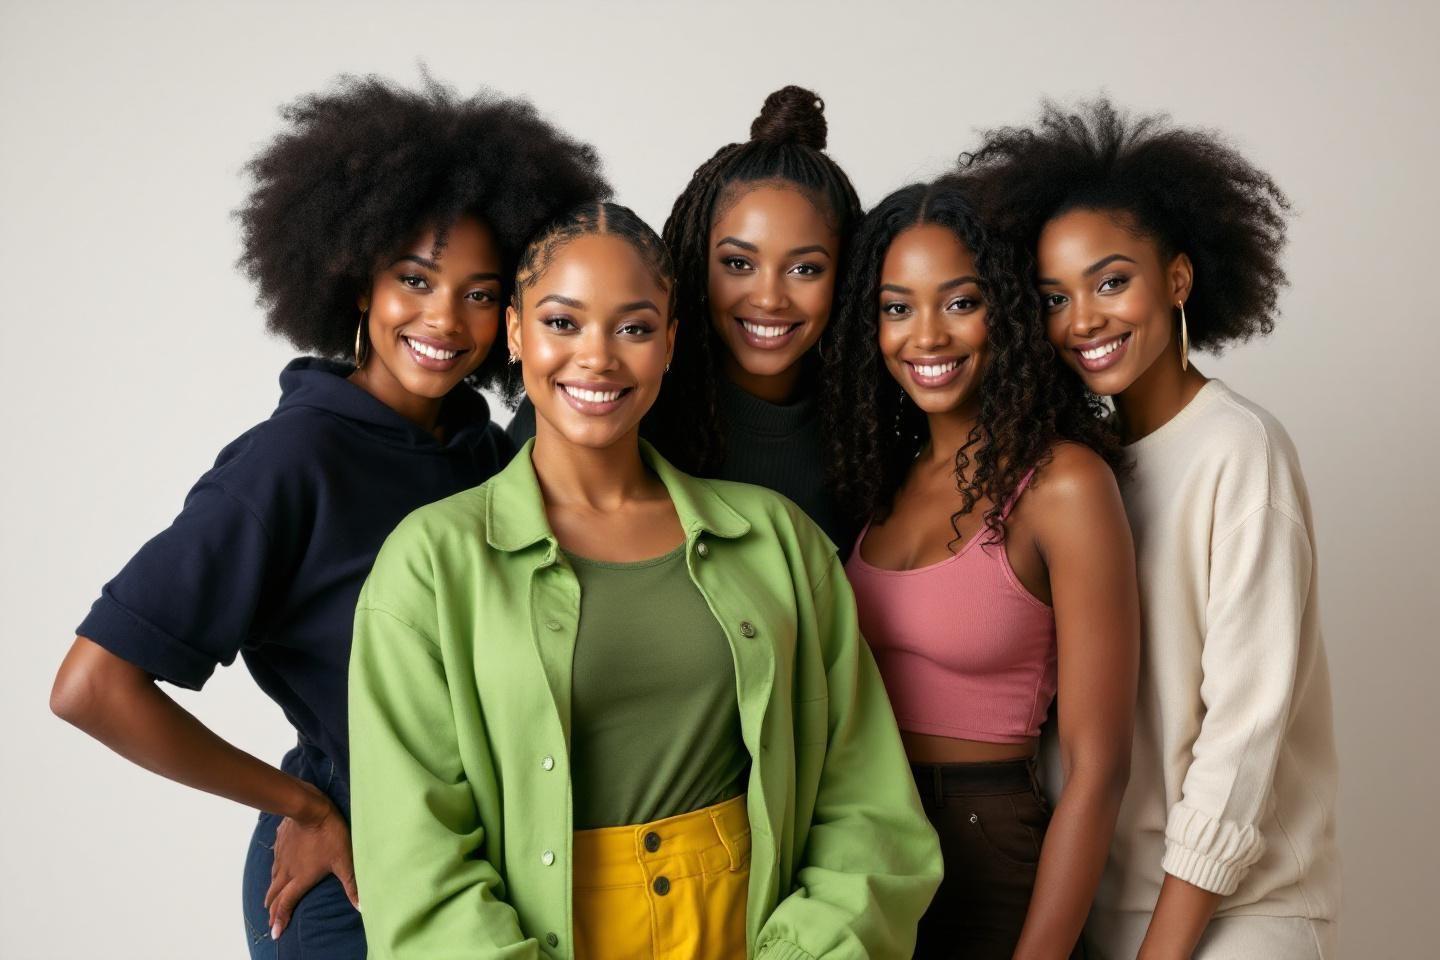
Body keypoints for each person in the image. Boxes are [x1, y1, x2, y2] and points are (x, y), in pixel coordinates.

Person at [48, 75, 609, 958]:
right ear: (357, 282)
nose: (443, 318)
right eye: (415, 279)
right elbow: (92, 686)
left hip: (484, 877)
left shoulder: (483, 453)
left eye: (480, 291)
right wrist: (303, 806)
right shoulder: (293, 462)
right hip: (350, 888)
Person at [348, 201, 942, 960]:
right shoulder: (429, 566)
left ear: (669, 343)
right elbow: (416, 861)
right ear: (517, 332)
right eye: (563, 323)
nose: (596, 358)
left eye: (632, 327)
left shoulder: (777, 542)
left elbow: (869, 811)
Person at [966, 98, 1341, 959]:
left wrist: (1164, 949)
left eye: (1111, 281)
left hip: (1242, 910)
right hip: (1106, 902)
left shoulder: (1239, 450)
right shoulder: (1073, 469)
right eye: (1054, 297)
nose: (1083, 320)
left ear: (1177, 279)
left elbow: (1244, 731)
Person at [830, 176, 1139, 958]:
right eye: (896, 308)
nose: (925, 336)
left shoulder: (1062, 485)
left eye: (960, 302)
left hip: (988, 846)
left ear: (1006, 311)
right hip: (864, 848)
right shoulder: (881, 482)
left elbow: (1099, 772)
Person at [507, 85, 863, 550]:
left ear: (846, 275)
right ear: (698, 260)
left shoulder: (862, 428)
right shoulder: (611, 395)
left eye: (805, 269)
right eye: (738, 263)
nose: (770, 298)